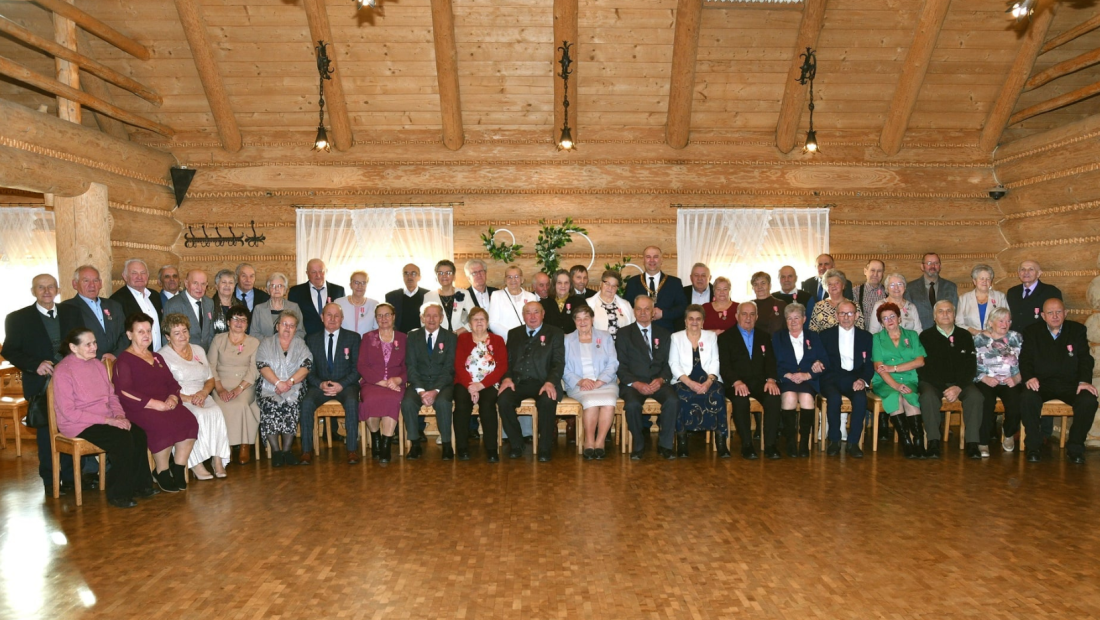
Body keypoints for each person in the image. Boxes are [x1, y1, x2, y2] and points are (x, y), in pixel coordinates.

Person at [52, 328, 157, 508]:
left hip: (105, 418)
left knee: (137, 433)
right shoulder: (63, 371)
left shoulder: (97, 365)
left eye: (94, 343)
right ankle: (118, 494)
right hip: (78, 423)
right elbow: (69, 412)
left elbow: (112, 396)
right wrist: (109, 421)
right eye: (88, 344)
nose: (94, 347)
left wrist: (119, 415)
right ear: (73, 347)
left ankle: (141, 486)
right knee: (121, 439)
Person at [3, 274, 82, 494]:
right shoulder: (17, 318)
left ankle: (71, 478)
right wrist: (34, 365)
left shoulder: (72, 313)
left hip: (72, 384)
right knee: (47, 434)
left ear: (58, 290)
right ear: (33, 291)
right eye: (41, 287)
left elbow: (82, 342)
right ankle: (50, 480)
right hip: (40, 385)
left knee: (71, 427)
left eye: (51, 287)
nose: (46, 291)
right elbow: (9, 350)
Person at [112, 313, 198, 493]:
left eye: (149, 331)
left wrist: (173, 397)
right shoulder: (124, 360)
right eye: (140, 331)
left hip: (165, 403)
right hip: (139, 408)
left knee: (189, 421)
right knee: (162, 425)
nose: (146, 335)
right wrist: (154, 404)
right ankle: (161, 471)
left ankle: (178, 468)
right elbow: (124, 391)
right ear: (129, 334)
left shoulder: (157, 357)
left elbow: (172, 382)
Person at [1019, 299, 1097, 464]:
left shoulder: (1077, 330)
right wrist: (1029, 377)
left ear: (1065, 313)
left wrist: (1084, 381)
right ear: (1043, 316)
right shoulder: (1032, 331)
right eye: (1050, 313)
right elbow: (1025, 359)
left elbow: (1085, 359)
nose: (1055, 316)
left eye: (1058, 312)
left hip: (1070, 384)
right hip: (1041, 383)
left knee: (1088, 400)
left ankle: (1075, 447)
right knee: (1027, 397)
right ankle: (1033, 447)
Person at [159, 313, 231, 479]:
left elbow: (210, 379)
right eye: (177, 333)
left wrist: (204, 393)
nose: (182, 336)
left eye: (185, 331)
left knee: (216, 412)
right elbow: (163, 387)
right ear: (168, 336)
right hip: (179, 398)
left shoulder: (198, 349)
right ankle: (196, 463)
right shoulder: (162, 356)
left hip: (202, 394)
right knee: (197, 415)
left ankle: (217, 460)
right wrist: (188, 398)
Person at [497, 302, 566, 461]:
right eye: (528, 312)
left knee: (547, 401)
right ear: (523, 315)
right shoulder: (514, 333)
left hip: (543, 382)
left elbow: (558, 362)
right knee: (503, 400)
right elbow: (506, 361)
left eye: (536, 312)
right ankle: (517, 444)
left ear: (543, 314)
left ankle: (544, 448)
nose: (532, 316)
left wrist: (550, 382)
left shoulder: (555, 333)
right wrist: (507, 378)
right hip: (518, 382)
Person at [917, 301, 982, 460]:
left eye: (949, 311)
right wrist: (944, 388)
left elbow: (971, 366)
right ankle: (933, 441)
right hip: (933, 382)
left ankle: (972, 443)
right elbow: (923, 368)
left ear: (954, 315)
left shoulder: (964, 336)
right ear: (934, 316)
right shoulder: (925, 336)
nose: (945, 314)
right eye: (941, 311)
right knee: (927, 397)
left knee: (976, 396)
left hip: (960, 383)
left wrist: (958, 386)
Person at [717, 301, 781, 460]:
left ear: (757, 317)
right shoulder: (725, 337)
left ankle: (770, 445)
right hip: (736, 383)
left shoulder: (764, 336)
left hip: (760, 382)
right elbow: (724, 366)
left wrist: (771, 379)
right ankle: (747, 445)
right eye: (744, 314)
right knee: (741, 400)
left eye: (752, 314)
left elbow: (771, 361)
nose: (748, 318)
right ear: (736, 316)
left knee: (773, 398)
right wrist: (736, 381)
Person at [299, 303, 362, 465]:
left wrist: (341, 385)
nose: (332, 319)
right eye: (329, 315)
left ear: (342, 318)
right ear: (322, 317)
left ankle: (352, 450)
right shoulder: (311, 339)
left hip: (346, 385)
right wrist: (320, 384)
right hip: (320, 385)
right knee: (306, 403)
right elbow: (308, 370)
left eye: (336, 316)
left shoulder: (353, 338)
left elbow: (357, 369)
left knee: (352, 402)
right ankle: (306, 450)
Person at [616, 295, 677, 460]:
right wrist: (636, 383)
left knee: (673, 401)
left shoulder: (664, 334)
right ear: (634, 311)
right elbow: (620, 365)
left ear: (653, 312)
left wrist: (661, 380)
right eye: (639, 309)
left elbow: (669, 364)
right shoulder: (624, 334)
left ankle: (665, 445)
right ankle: (639, 444)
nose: (643, 312)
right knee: (632, 405)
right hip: (633, 383)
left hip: (658, 382)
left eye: (647, 309)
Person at [401, 303, 458, 460]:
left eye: (435, 316)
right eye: (428, 315)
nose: (431, 319)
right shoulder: (412, 336)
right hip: (419, 383)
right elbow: (410, 366)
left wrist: (435, 391)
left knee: (443, 403)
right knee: (407, 403)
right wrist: (421, 391)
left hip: (443, 384)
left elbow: (449, 368)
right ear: (422, 318)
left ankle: (447, 444)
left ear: (441, 318)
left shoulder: (451, 337)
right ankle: (415, 444)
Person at [255, 311, 312, 466]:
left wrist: (289, 382)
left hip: (294, 386)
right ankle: (276, 451)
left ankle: (287, 451)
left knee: (291, 405)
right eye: (284, 324)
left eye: (292, 325)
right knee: (270, 406)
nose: (287, 328)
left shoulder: (300, 344)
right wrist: (278, 383)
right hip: (269, 386)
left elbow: (306, 366)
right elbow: (262, 365)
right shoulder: (266, 343)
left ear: (295, 329)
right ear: (277, 326)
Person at [871, 302, 927, 459]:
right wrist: (896, 385)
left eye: (892, 316)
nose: (889, 320)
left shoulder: (912, 335)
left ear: (899, 318)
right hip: (885, 381)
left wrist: (893, 368)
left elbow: (920, 361)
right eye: (885, 318)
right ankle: (906, 442)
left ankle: (918, 442)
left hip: (909, 378)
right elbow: (879, 367)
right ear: (881, 323)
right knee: (894, 396)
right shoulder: (877, 338)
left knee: (910, 396)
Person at [670, 305, 727, 458]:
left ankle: (721, 442)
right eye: (691, 319)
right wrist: (690, 383)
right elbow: (673, 364)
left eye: (698, 319)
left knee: (717, 394)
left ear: (703, 322)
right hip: (684, 379)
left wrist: (708, 382)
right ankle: (682, 442)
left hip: (708, 377)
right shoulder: (676, 337)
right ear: (685, 321)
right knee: (682, 396)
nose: (694, 322)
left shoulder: (711, 336)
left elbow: (715, 361)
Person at [818, 301, 874, 457]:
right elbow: (819, 358)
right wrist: (817, 363)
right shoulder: (825, 335)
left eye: (850, 313)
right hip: (831, 377)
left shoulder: (866, 337)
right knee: (834, 398)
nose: (846, 317)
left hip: (854, 378)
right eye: (842, 313)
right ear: (836, 316)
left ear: (856, 315)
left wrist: (862, 380)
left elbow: (869, 364)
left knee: (861, 398)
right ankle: (834, 440)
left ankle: (853, 443)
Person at [772, 303, 829, 458]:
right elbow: (772, 362)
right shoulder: (778, 337)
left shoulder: (813, 336)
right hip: (786, 379)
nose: (793, 321)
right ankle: (790, 441)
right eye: (789, 318)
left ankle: (804, 442)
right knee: (789, 397)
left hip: (808, 379)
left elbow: (825, 360)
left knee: (806, 399)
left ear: (804, 319)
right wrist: (787, 375)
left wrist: (809, 374)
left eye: (796, 317)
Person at [563, 305, 619, 460]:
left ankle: (600, 442)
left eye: (586, 318)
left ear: (592, 319)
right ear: (574, 321)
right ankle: (589, 441)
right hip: (579, 384)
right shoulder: (567, 340)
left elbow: (613, 363)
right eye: (578, 319)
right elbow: (562, 367)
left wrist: (600, 381)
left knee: (609, 402)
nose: (582, 322)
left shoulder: (605, 337)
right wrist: (580, 381)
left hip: (605, 383)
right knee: (591, 402)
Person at [208, 305, 261, 465]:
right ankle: (226, 446)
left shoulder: (254, 342)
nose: (239, 323)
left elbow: (254, 369)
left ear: (247, 324)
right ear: (228, 322)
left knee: (240, 404)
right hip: (220, 382)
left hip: (245, 384)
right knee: (220, 404)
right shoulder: (218, 340)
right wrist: (219, 389)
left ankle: (245, 444)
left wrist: (239, 389)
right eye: (235, 319)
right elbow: (210, 366)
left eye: (243, 320)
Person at [454, 307, 507, 462]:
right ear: (470, 324)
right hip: (465, 382)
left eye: (482, 319)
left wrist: (481, 385)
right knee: (462, 404)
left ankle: (491, 449)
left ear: (487, 323)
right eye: (475, 319)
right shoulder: (463, 339)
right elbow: (458, 365)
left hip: (489, 383)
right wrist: (471, 386)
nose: (478, 322)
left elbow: (502, 367)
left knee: (487, 405)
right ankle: (462, 447)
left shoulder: (497, 340)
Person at [358, 303, 407, 463]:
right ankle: (376, 438)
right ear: (376, 318)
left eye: (387, 315)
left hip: (395, 385)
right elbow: (361, 365)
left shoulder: (403, 338)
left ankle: (386, 445)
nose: (383, 318)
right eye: (379, 315)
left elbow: (409, 366)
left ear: (393, 317)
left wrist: (398, 380)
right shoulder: (368, 337)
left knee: (392, 400)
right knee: (369, 400)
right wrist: (379, 381)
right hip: (372, 383)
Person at [973, 306, 1024, 458]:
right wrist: (984, 378)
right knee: (985, 402)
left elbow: (1027, 362)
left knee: (1016, 401)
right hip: (986, 379)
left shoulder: (1016, 337)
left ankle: (1008, 433)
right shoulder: (979, 339)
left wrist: (1016, 378)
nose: (1005, 324)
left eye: (1008, 321)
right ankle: (983, 441)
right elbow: (970, 364)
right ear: (991, 322)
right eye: (1001, 321)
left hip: (1010, 379)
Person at [61, 265, 126, 360]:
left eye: (95, 280)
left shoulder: (114, 305)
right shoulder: (67, 308)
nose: (92, 285)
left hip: (117, 360)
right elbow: (69, 340)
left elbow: (125, 333)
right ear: (75, 284)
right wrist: (101, 356)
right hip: (87, 362)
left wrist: (115, 354)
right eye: (86, 281)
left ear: (100, 283)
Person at [623, 246, 687, 332]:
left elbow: (682, 307)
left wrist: (663, 313)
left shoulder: (674, 283)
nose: (652, 260)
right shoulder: (633, 283)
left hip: (666, 332)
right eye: (648, 257)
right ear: (643, 260)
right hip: (638, 333)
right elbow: (626, 307)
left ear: (661, 260)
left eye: (656, 257)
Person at [109, 258, 163, 349]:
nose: (139, 277)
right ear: (125, 277)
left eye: (143, 273)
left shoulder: (154, 296)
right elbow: (118, 334)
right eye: (134, 273)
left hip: (159, 353)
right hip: (135, 354)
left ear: (148, 276)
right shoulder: (116, 300)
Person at [288, 258, 346, 335]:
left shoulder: (338, 291)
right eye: (313, 272)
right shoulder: (296, 292)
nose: (318, 275)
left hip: (333, 337)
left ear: (326, 271)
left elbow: (342, 316)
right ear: (307, 273)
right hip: (306, 338)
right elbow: (291, 317)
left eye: (321, 271)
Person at [904, 252, 958, 331]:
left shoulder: (951, 287)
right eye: (929, 263)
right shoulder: (910, 288)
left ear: (940, 266)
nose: (933, 266)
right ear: (922, 266)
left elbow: (955, 312)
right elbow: (908, 315)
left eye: (936, 263)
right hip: (921, 333)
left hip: (945, 333)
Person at [163, 269, 215, 350]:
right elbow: (166, 338)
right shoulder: (173, 305)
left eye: (203, 284)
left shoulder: (209, 303)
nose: (199, 288)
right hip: (183, 354)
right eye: (195, 283)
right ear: (186, 283)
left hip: (205, 354)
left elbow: (211, 333)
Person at [1006, 259, 1062, 332]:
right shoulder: (1012, 292)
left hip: (1039, 336)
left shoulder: (1051, 292)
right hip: (1015, 337)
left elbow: (1056, 319)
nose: (1026, 272)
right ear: (1019, 273)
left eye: (1031, 269)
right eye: (1023, 269)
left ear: (1039, 273)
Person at [423, 260, 475, 333]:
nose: (444, 276)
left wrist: (458, 332)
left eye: (448, 273)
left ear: (454, 276)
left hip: (460, 335)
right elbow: (424, 321)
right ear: (436, 277)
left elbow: (475, 317)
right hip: (437, 336)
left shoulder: (465, 293)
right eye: (440, 273)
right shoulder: (428, 296)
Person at [956, 264, 1008, 336]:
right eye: (981, 278)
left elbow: (1006, 320)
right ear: (974, 281)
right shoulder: (963, 299)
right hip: (971, 338)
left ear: (991, 281)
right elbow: (958, 323)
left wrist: (990, 332)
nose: (985, 281)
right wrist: (974, 331)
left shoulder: (1000, 297)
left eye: (988, 279)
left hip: (994, 338)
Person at [252, 272, 306, 340]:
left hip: (290, 345)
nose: (277, 289)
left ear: (285, 290)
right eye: (273, 286)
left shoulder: (294, 307)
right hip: (265, 345)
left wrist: (286, 342)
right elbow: (254, 333)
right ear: (268, 290)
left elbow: (300, 332)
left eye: (280, 286)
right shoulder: (259, 309)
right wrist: (271, 342)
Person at [587, 270, 634, 341]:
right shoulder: (588, 304)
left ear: (617, 288)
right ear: (601, 284)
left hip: (622, 346)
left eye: (614, 286)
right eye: (607, 284)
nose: (610, 288)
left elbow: (633, 328)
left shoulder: (626, 305)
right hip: (598, 345)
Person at [383, 263, 428, 334]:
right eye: (406, 273)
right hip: (399, 337)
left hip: (423, 337)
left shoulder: (427, 295)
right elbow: (388, 320)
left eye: (413, 273)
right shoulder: (391, 297)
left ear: (419, 277)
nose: (409, 277)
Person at [541, 269, 587, 334]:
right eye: (559, 283)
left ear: (570, 285)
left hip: (574, 339)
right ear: (554, 285)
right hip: (551, 339)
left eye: (566, 283)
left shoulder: (580, 303)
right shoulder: (543, 304)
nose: (563, 286)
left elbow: (586, 324)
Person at [334, 271, 379, 336]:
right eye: (356, 282)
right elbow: (334, 326)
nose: (360, 286)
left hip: (366, 341)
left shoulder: (374, 304)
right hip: (344, 341)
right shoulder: (339, 303)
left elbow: (377, 329)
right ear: (350, 285)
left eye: (363, 283)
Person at [209, 269, 244, 338]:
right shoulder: (209, 305)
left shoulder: (240, 305)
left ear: (234, 286)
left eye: (231, 282)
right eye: (224, 282)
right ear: (216, 286)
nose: (227, 285)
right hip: (214, 343)